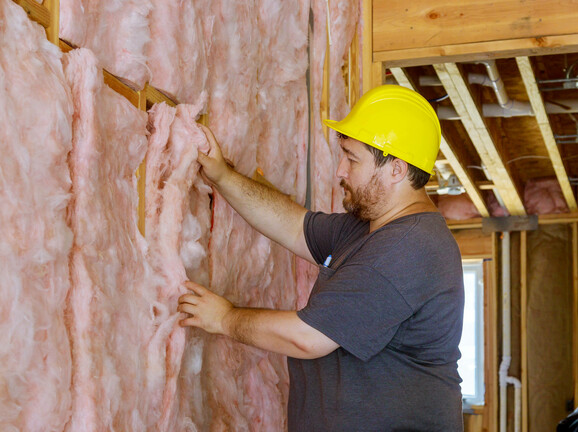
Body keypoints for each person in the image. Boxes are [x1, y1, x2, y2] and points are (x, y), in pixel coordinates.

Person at [177, 85, 465, 431]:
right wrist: (223, 177)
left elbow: (307, 338)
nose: (340, 170)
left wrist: (225, 319)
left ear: (396, 169)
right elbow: (294, 226)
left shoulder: (409, 247)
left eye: (352, 158)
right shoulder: (369, 230)